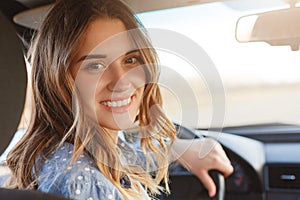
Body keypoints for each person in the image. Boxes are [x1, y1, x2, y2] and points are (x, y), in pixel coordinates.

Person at [6, 0, 233, 199]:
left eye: (130, 60)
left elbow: (128, 152)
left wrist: (177, 150)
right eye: (95, 65)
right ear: (58, 81)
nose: (121, 81)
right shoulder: (85, 182)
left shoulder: (66, 151)